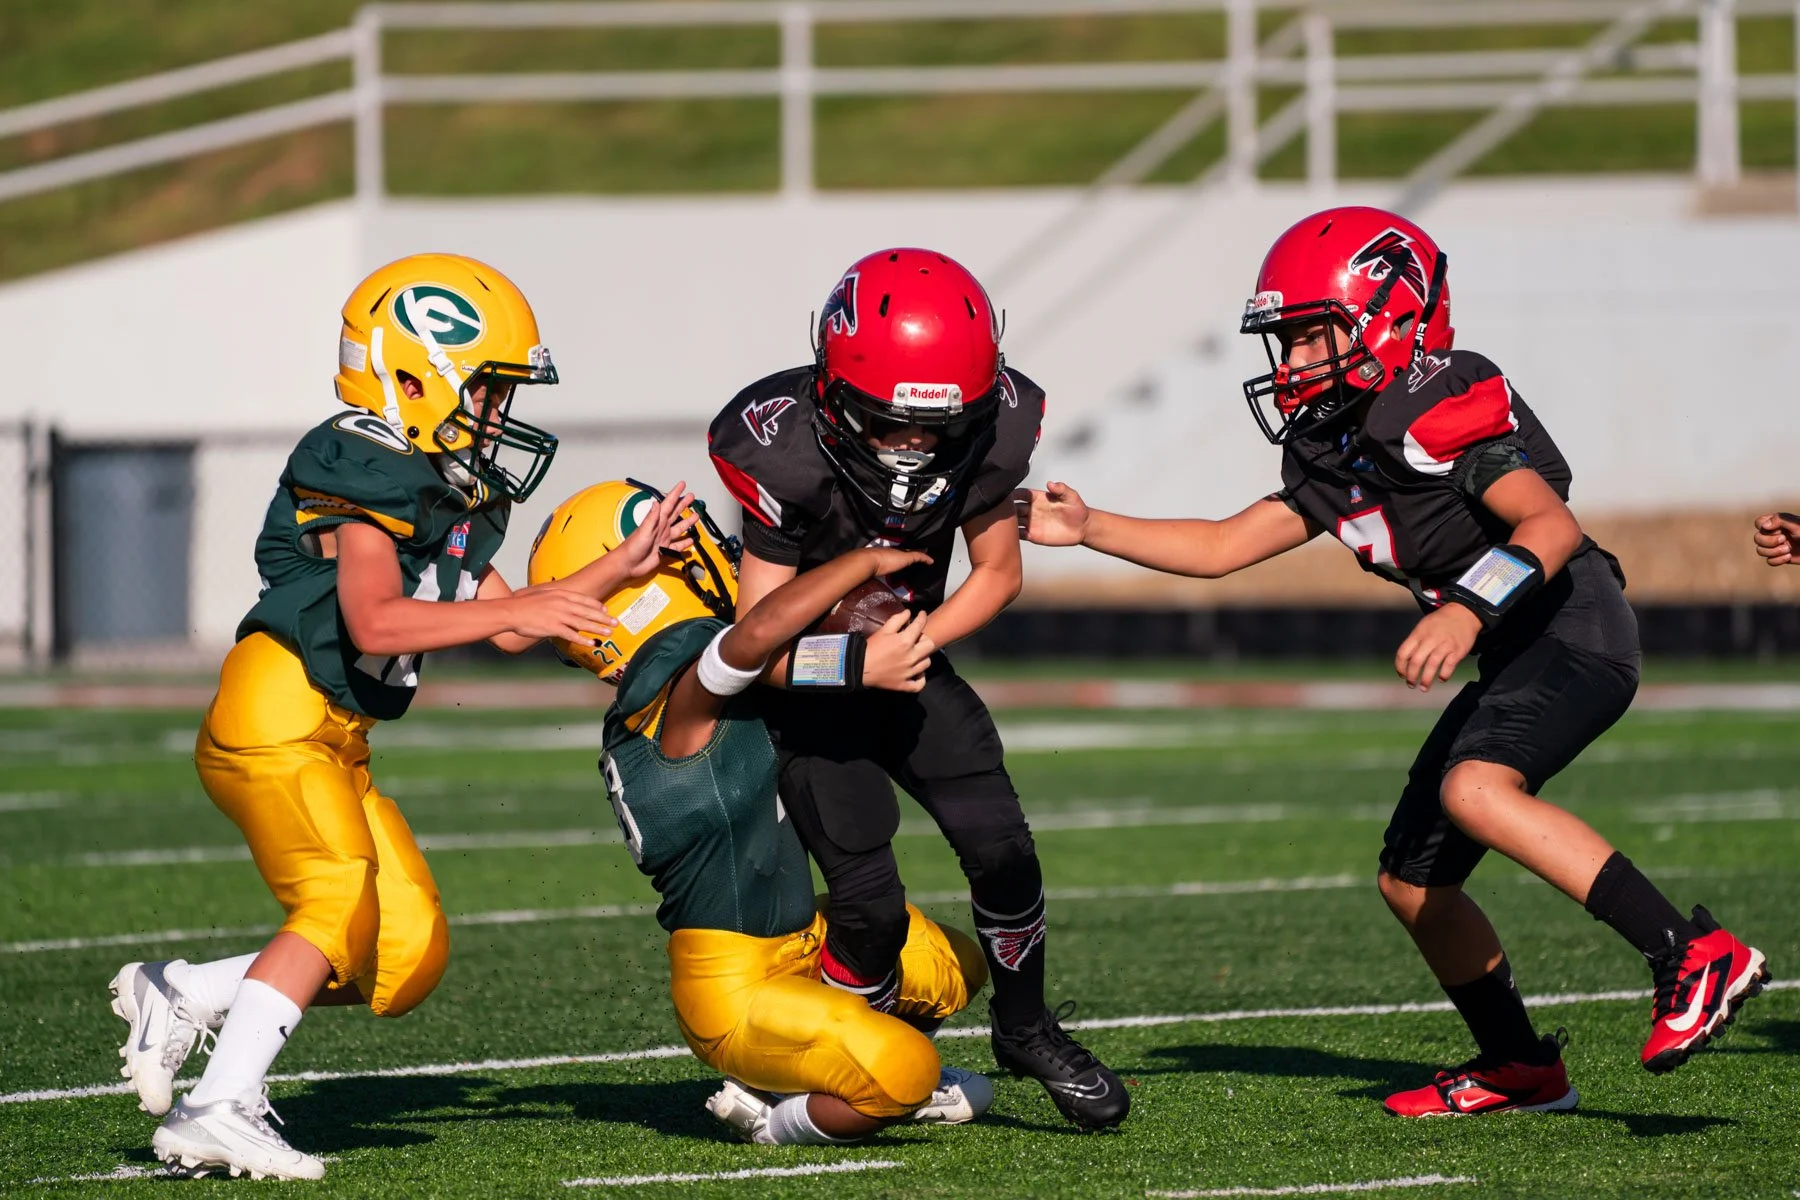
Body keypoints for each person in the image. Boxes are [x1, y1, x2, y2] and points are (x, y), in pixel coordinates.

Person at [1015, 206, 1770, 1117]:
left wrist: (1464, 605)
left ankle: (1690, 953)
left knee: (1475, 792)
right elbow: (1220, 545)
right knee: (1413, 881)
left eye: (1309, 338)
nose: (1290, 365)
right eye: (1285, 344)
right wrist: (1089, 528)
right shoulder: (1328, 446)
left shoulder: (1435, 397)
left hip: (1573, 627)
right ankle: (1519, 1064)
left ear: (1391, 316)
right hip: (1513, 647)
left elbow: (1551, 527)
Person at [108, 255, 695, 1180]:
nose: (497, 417)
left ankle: (186, 992)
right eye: (488, 391)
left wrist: (617, 570)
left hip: (336, 738)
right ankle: (218, 1107)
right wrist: (520, 611)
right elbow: (376, 617)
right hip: (274, 713)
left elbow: (509, 620)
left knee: (403, 953)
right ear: (411, 374)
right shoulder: (361, 459)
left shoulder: (432, 480)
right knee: (336, 902)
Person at [706, 248, 1129, 1131]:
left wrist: (919, 641)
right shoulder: (782, 451)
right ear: (833, 386)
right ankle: (826, 1053)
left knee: (1003, 845)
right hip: (809, 692)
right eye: (890, 423)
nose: (914, 446)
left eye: (936, 426)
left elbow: (999, 571)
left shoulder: (989, 429)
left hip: (909, 657)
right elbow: (757, 649)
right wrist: (860, 664)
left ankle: (1023, 1025)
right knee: (868, 909)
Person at [528, 479, 993, 1144]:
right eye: (685, 549)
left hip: (803, 940)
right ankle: (774, 1118)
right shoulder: (674, 700)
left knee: (952, 967)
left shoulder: (673, 695)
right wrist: (860, 561)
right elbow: (750, 641)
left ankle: (835, 1065)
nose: (713, 551)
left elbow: (768, 655)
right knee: (906, 1070)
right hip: (735, 987)